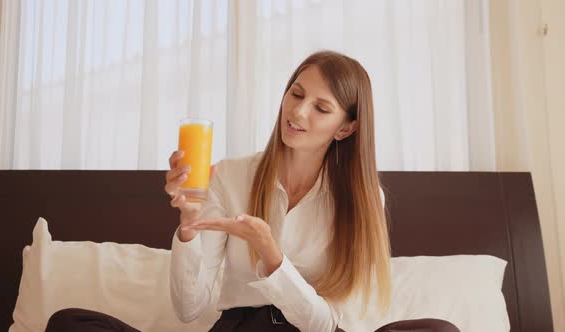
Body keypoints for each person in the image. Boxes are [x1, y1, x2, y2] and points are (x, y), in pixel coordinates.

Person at [45, 51, 460, 332]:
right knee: (71, 324)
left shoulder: (363, 201)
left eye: (321, 107)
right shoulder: (229, 176)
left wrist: (273, 259)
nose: (297, 112)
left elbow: (326, 325)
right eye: (296, 94)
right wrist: (188, 226)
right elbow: (189, 309)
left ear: (346, 128)